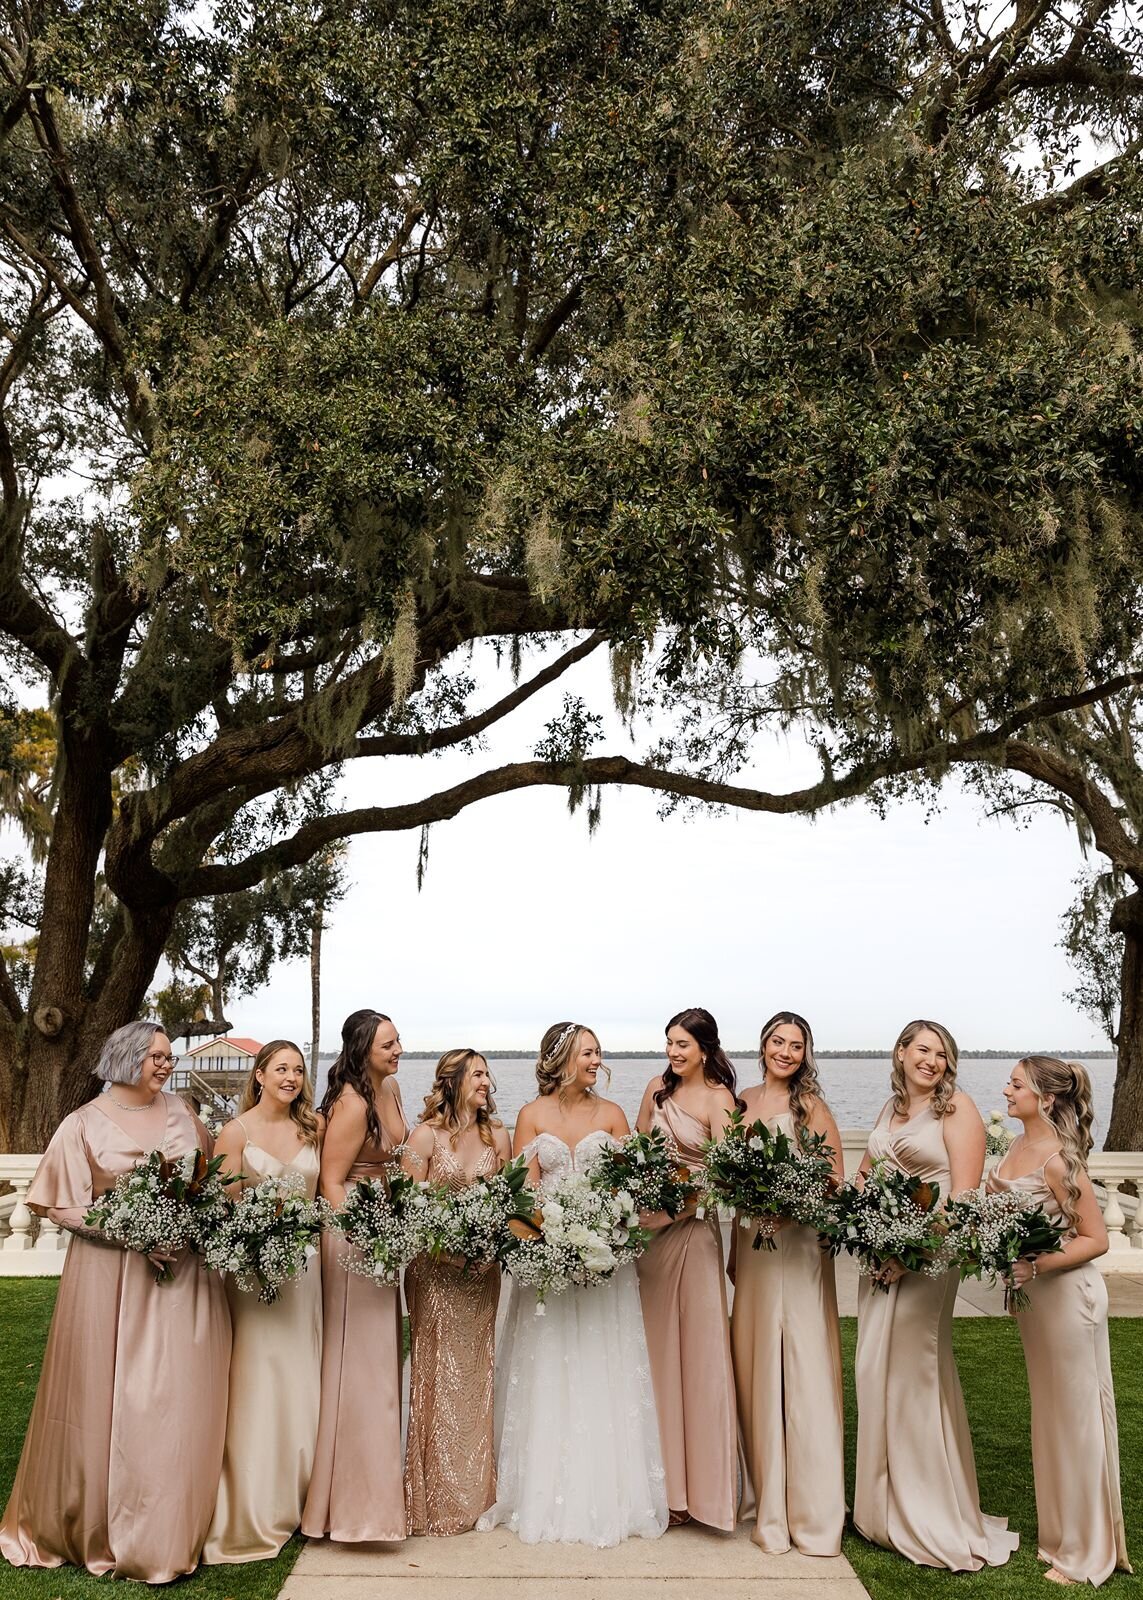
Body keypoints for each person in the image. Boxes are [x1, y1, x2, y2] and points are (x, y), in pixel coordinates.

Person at [0, 1020, 231, 1582]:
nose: (166, 1064)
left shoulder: (183, 1113)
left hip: (182, 1275)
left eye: (169, 1056)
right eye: (156, 1055)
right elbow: (61, 1208)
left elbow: (207, 1180)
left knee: (175, 1396)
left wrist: (192, 1224)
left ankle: (173, 1523)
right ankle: (102, 1522)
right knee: (107, 1394)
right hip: (109, 1277)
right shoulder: (81, 1125)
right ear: (126, 1057)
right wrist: (134, 1232)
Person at [478, 1022, 667, 1546]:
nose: (596, 1059)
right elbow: (524, 1194)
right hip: (550, 1260)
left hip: (605, 1262)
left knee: (600, 1362)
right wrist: (551, 1242)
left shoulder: (612, 1115)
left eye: (597, 1052)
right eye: (588, 1052)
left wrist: (604, 1231)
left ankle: (610, 1489)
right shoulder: (531, 1116)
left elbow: (631, 1185)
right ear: (562, 1059)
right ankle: (541, 1487)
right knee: (549, 1362)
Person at [853, 1018, 1016, 1571]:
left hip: (928, 1258)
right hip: (880, 1254)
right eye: (923, 1050)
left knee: (913, 1372)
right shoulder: (889, 1109)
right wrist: (861, 1225)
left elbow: (964, 1196)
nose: (933, 1061)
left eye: (942, 1054)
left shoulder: (957, 1109)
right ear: (900, 1053)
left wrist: (907, 1251)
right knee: (874, 1367)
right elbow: (868, 1173)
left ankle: (928, 1512)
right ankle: (883, 1504)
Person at [989, 1056, 1131, 1586]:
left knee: (1077, 1420)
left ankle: (1087, 1550)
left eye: (1016, 1083)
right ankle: (1059, 1538)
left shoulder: (1058, 1158)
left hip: (1070, 1299)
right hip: (1037, 1305)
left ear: (1045, 1098)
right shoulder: (1013, 1146)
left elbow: (1095, 1238)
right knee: (1049, 1417)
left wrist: (1035, 1265)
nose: (1007, 1089)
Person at [203, 1039, 325, 1563]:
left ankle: (303, 1496)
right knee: (256, 1378)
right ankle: (254, 1502)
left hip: (304, 1270)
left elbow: (323, 1195)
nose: (291, 1077)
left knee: (302, 1373)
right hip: (251, 1275)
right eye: (281, 1068)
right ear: (259, 1074)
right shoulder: (236, 1132)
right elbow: (218, 1205)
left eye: (298, 1069)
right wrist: (252, 1241)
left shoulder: (314, 1128)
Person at [729, 1011, 845, 1556]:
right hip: (753, 1248)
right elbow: (725, 1176)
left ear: (805, 1054)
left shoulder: (813, 1108)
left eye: (796, 1045)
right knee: (755, 1365)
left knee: (803, 1364)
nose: (786, 1052)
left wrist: (792, 1204)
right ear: (763, 1046)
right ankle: (763, 1500)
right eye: (778, 1041)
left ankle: (811, 1508)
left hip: (798, 1250)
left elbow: (835, 1183)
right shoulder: (740, 1100)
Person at [301, 1009, 408, 1544]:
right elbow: (332, 1181)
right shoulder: (351, 1103)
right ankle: (349, 1505)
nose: (398, 1048)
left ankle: (378, 1492)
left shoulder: (389, 1093)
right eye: (388, 1043)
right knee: (357, 1366)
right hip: (353, 1240)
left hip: (382, 1234)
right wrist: (368, 1237)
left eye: (398, 1040)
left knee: (379, 1362)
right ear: (364, 1047)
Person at [635, 1007, 738, 1531]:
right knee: (652, 1357)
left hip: (692, 1236)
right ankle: (658, 1486)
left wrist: (673, 1210)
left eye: (683, 1045)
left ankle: (698, 1493)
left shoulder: (721, 1100)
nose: (673, 1053)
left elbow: (724, 1179)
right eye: (669, 1042)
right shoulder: (656, 1089)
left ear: (704, 1048)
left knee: (695, 1357)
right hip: (646, 1242)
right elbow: (634, 1158)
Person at [402, 1049, 512, 1535]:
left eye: (488, 1073)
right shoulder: (424, 1135)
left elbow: (512, 1205)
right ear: (452, 1082)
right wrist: (446, 1252)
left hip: (481, 1275)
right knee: (435, 1377)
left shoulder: (499, 1136)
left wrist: (491, 1250)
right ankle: (432, 1499)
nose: (487, 1081)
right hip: (434, 1274)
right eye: (478, 1073)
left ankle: (476, 1495)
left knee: (474, 1376)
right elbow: (407, 1209)